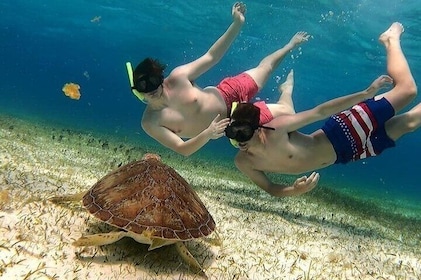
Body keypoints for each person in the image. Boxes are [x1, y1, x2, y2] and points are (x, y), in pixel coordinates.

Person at [226, 22, 418, 197]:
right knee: (410, 123)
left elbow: (320, 112)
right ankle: (286, 90)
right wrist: (295, 189)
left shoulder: (275, 130)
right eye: (233, 134)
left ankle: (390, 40)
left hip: (344, 132)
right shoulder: (244, 162)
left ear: (258, 128)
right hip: (349, 154)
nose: (239, 140)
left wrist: (365, 94)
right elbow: (271, 188)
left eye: (243, 132)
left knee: (407, 90)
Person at [126, 2, 310, 156]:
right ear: (136, 89)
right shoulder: (150, 122)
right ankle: (287, 90)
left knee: (266, 68)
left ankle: (289, 45)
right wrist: (208, 134)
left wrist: (237, 24)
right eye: (143, 85)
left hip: (229, 92)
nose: (150, 87)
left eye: (153, 80)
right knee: (288, 113)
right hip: (236, 121)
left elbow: (211, 57)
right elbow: (182, 149)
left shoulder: (178, 77)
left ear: (161, 77)